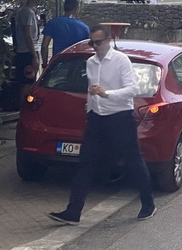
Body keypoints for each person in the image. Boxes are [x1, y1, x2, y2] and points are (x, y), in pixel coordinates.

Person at [49, 24, 155, 225]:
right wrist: (91, 109)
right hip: (97, 118)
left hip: (120, 116)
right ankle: (73, 211)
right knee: (86, 163)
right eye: (92, 42)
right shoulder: (90, 62)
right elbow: (91, 90)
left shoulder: (120, 60)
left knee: (133, 160)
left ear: (108, 40)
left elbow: (132, 89)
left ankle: (148, 203)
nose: (94, 46)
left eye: (98, 42)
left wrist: (107, 94)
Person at [41, 0, 90, 68]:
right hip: (77, 66)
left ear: (64, 8)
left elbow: (44, 46)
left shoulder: (53, 23)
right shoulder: (84, 28)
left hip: (58, 65)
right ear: (77, 9)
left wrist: (45, 64)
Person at [13, 0, 43, 100]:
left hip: (26, 51)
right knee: (28, 83)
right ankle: (25, 108)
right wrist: (34, 56)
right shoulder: (28, 12)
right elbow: (28, 35)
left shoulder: (29, 11)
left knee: (29, 82)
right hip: (27, 52)